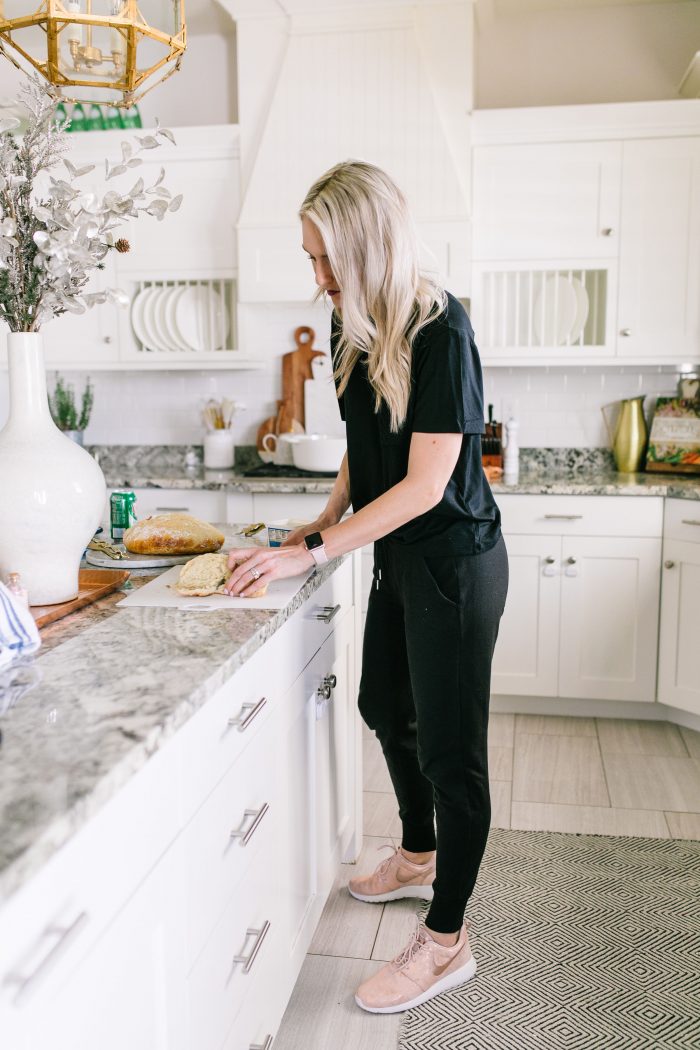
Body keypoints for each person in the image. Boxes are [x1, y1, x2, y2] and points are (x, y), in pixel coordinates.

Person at [225, 160, 509, 1015]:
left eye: (324, 260)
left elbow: (426, 483)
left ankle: (446, 940)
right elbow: (364, 451)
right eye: (309, 259)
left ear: (366, 247)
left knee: (452, 755)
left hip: (454, 563)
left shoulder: (441, 329)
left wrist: (315, 551)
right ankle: (417, 855)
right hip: (397, 556)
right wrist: (312, 524)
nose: (314, 278)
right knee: (384, 704)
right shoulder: (355, 325)